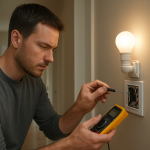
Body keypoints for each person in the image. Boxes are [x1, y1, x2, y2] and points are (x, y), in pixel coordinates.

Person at [0, 3, 116, 150]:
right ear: (16, 39)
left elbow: (51, 127)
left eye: (53, 49)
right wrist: (70, 144)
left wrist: (80, 108)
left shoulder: (34, 82)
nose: (51, 58)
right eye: (43, 47)